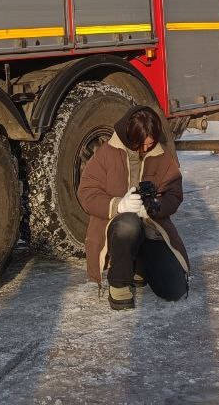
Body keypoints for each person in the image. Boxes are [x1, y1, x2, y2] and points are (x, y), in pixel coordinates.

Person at [77, 105, 188, 310]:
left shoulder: (163, 156)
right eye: (140, 145)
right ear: (129, 135)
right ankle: (118, 283)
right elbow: (86, 193)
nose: (145, 150)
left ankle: (139, 265)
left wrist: (155, 207)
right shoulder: (106, 154)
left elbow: (174, 194)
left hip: (151, 228)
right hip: (118, 227)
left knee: (175, 290)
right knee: (128, 224)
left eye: (150, 144)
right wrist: (119, 205)